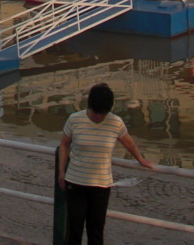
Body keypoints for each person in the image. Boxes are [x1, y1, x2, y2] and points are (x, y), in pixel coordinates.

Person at [58, 82, 155, 245]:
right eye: (96, 112)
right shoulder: (74, 119)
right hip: (75, 183)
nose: (98, 117)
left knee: (96, 232)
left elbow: (129, 142)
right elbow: (64, 144)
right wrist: (61, 171)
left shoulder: (115, 123)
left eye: (102, 113)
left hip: (101, 186)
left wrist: (141, 159)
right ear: (90, 106)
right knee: (74, 230)